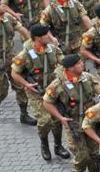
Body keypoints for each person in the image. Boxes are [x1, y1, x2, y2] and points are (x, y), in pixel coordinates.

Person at [11, 24, 68, 161]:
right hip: (36, 92)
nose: (49, 36)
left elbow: (63, 63)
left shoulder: (53, 49)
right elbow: (14, 73)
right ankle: (44, 144)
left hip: (53, 90)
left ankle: (58, 146)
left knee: (56, 119)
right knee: (44, 120)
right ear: (37, 38)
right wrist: (27, 85)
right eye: (46, 35)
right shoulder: (24, 55)